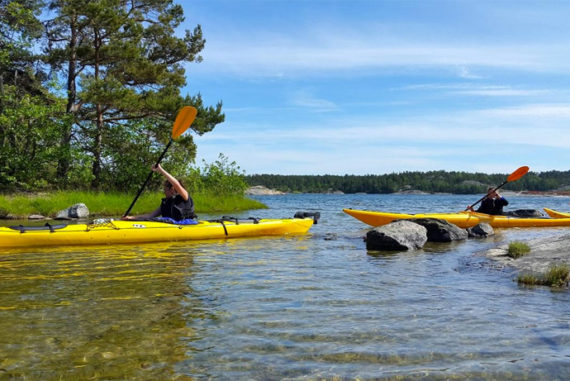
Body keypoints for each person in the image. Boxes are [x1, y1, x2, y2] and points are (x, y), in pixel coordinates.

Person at [122, 164, 196, 221]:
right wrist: (131, 218)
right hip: (169, 225)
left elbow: (176, 184)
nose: (164, 191)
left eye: (165, 189)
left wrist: (160, 170)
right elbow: (150, 216)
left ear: (172, 189)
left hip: (185, 225)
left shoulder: (184, 197)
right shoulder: (165, 204)